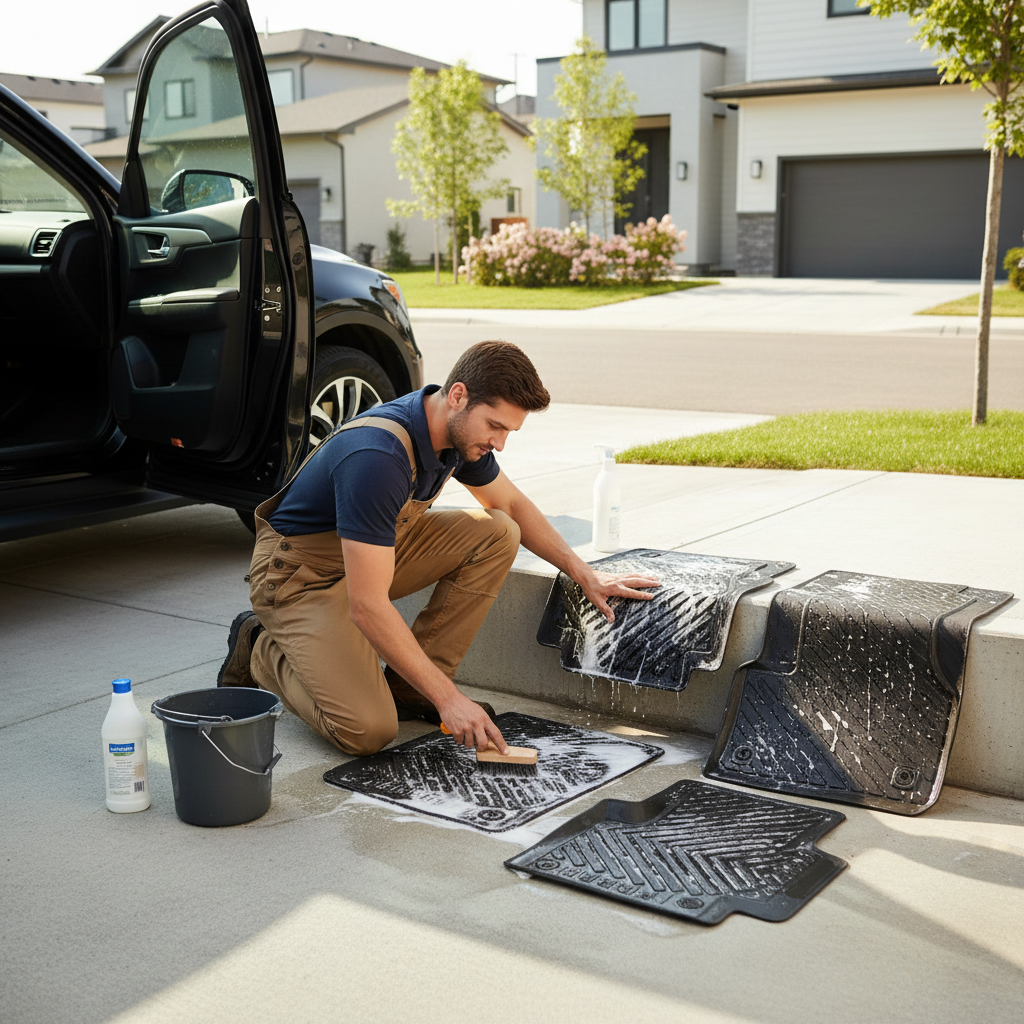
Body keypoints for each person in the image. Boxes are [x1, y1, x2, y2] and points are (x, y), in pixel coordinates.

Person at [218, 340, 658, 757]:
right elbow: (367, 606)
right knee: (368, 731)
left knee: (498, 531)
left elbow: (509, 504)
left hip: (368, 559)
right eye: (496, 426)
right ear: (459, 396)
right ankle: (258, 647)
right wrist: (451, 701)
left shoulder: (456, 434)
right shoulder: (378, 456)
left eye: (509, 431)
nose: (499, 443)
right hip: (300, 580)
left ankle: (411, 687)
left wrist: (585, 573)